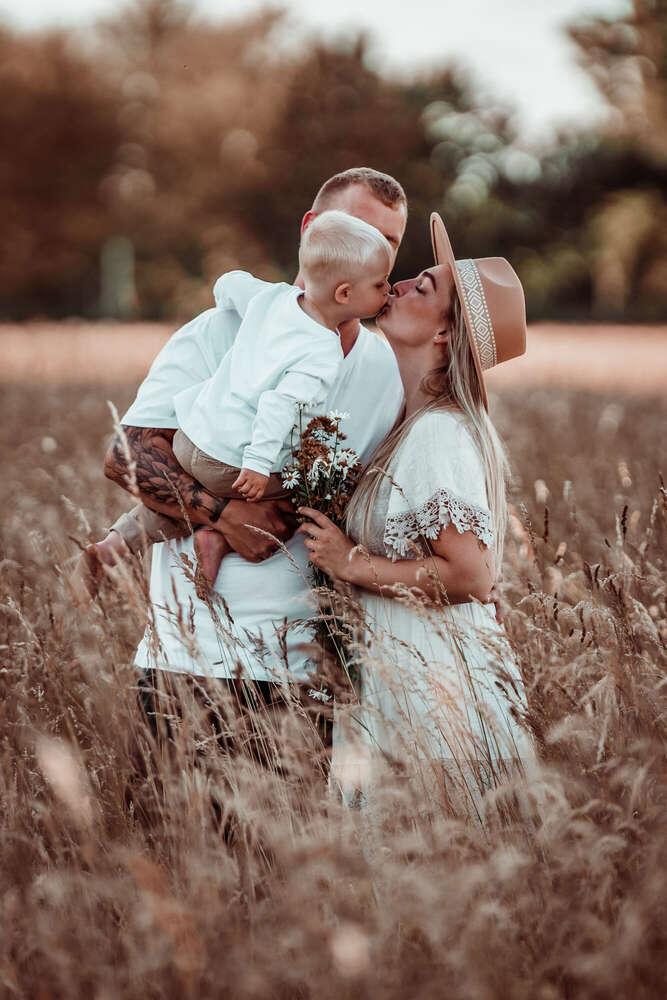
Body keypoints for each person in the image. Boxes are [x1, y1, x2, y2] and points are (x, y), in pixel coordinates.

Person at [77, 167, 408, 769]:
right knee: (172, 853)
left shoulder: (385, 368)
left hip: (308, 667)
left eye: (390, 245)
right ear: (313, 231)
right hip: (190, 659)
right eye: (360, 232)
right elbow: (126, 455)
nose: (376, 256)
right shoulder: (226, 329)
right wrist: (223, 516)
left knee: (293, 861)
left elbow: (359, 497)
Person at [295, 213, 533, 819]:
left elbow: (472, 578)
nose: (398, 285)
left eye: (422, 287)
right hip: (399, 680)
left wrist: (353, 563)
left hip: (436, 692)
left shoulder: (437, 435)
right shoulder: (403, 426)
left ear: (447, 335)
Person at [105, 211, 392, 587]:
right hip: (233, 459)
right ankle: (217, 539)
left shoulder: (272, 297)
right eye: (381, 284)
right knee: (304, 487)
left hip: (193, 437)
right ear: (344, 293)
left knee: (201, 491)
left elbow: (231, 282)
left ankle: (116, 542)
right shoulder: (323, 351)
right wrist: (258, 464)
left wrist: (222, 293)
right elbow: (280, 406)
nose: (389, 289)